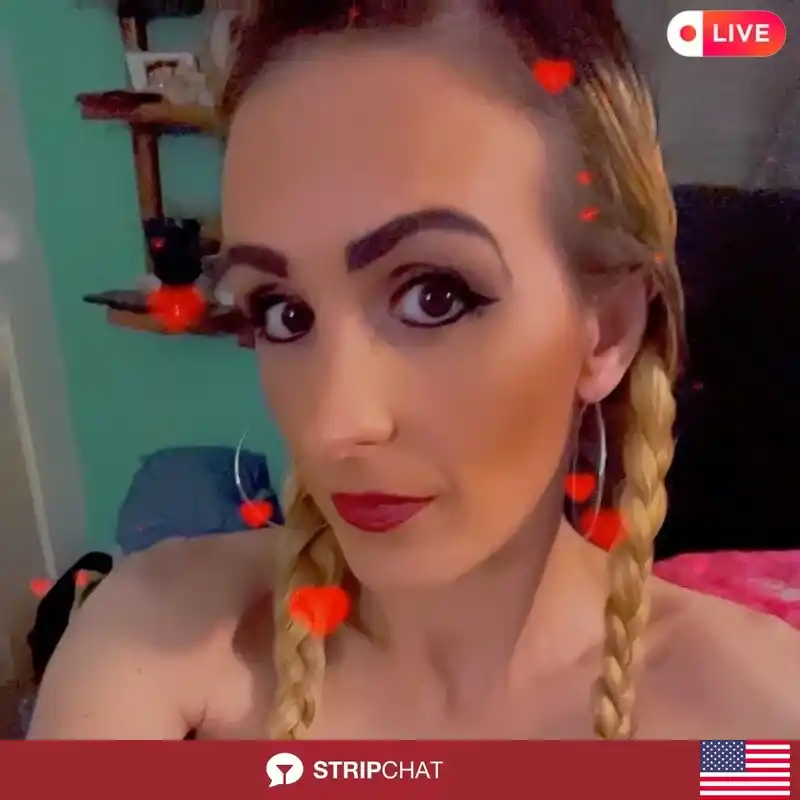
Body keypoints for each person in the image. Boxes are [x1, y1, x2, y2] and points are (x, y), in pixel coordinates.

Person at [30, 0, 800, 740]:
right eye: (283, 312)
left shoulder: (753, 727)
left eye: (434, 298)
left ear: (607, 331)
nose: (333, 427)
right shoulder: (156, 648)